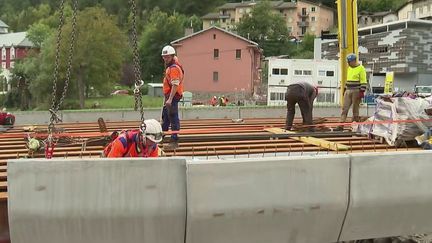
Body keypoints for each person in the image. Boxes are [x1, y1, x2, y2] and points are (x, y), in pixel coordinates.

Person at [161, 45, 184, 148]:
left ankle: (174, 141)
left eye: (167, 57)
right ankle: (161, 137)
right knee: (166, 118)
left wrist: (170, 99)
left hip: (172, 96)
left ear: (172, 56)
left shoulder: (174, 68)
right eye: (164, 57)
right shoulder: (171, 66)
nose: (165, 59)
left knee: (173, 117)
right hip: (170, 96)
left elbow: (175, 84)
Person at [340, 53, 368, 124]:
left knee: (355, 109)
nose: (348, 63)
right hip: (348, 90)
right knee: (345, 108)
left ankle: (355, 123)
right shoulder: (349, 68)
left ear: (354, 61)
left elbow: (363, 80)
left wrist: (362, 91)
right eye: (348, 62)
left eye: (349, 61)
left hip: (356, 91)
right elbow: (348, 79)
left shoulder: (361, 68)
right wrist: (345, 89)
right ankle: (341, 123)